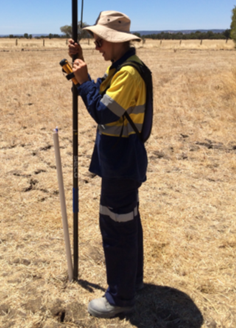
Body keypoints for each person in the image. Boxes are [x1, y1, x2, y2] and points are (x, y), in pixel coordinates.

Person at [67, 11, 150, 318]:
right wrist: (79, 65)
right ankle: (132, 282)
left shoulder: (128, 74)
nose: (96, 45)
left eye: (99, 40)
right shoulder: (121, 68)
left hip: (121, 161)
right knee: (127, 222)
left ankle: (120, 297)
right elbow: (97, 93)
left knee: (116, 227)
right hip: (121, 159)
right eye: (94, 40)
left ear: (115, 41)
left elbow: (103, 112)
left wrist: (85, 80)